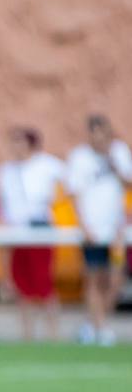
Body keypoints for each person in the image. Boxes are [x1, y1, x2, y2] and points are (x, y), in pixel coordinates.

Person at [65, 115, 132, 346]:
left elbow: (128, 184)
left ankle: (92, 323)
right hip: (92, 228)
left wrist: (115, 165)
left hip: (115, 230)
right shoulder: (80, 157)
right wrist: (84, 227)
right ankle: (100, 327)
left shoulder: (119, 153)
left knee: (115, 279)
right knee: (93, 278)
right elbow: (73, 193)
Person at [0, 127, 65, 341]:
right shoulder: (6, 171)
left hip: (39, 226)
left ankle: (53, 334)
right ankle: (27, 334)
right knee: (21, 284)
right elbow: (2, 202)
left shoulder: (46, 164)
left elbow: (72, 182)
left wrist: (54, 202)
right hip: (16, 230)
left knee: (43, 283)